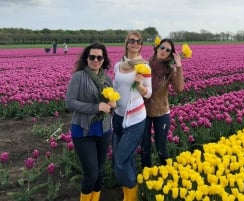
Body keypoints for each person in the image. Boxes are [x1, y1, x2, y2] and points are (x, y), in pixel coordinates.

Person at [65, 42, 116, 201]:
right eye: (92, 57)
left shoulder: (107, 79)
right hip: (83, 131)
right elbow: (70, 103)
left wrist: (112, 104)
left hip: (104, 130)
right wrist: (96, 107)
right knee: (91, 172)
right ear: (86, 59)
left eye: (99, 57)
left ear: (103, 59)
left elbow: (109, 105)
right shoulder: (79, 77)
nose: (95, 60)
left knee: (100, 171)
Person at [112, 31, 152, 201]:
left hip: (135, 119)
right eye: (132, 41)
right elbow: (116, 87)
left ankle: (131, 197)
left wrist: (140, 86)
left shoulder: (144, 67)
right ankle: (132, 192)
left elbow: (149, 93)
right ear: (127, 43)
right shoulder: (117, 65)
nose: (135, 43)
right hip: (118, 117)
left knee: (120, 162)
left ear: (141, 45)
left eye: (138, 41)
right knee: (123, 159)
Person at [141, 38, 184, 168]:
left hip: (161, 112)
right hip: (143, 112)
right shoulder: (144, 65)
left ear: (170, 54)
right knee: (145, 146)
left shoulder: (169, 70)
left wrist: (179, 65)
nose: (164, 51)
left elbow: (179, 88)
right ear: (157, 48)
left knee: (161, 145)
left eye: (168, 50)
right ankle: (147, 174)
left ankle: (167, 172)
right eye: (162, 48)